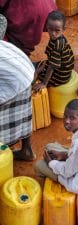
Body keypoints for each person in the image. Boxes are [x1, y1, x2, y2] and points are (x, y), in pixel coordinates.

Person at [0, 14, 36, 161]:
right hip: (27, 71)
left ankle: (4, 153)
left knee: (3, 119)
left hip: (19, 78)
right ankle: (27, 150)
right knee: (23, 114)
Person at [32, 10, 74, 92]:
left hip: (60, 76)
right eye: (50, 29)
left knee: (31, 71)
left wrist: (44, 83)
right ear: (47, 27)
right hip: (60, 68)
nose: (53, 33)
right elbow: (51, 58)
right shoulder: (57, 38)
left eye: (57, 30)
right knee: (38, 66)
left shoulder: (58, 44)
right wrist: (40, 69)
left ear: (63, 29)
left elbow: (51, 66)